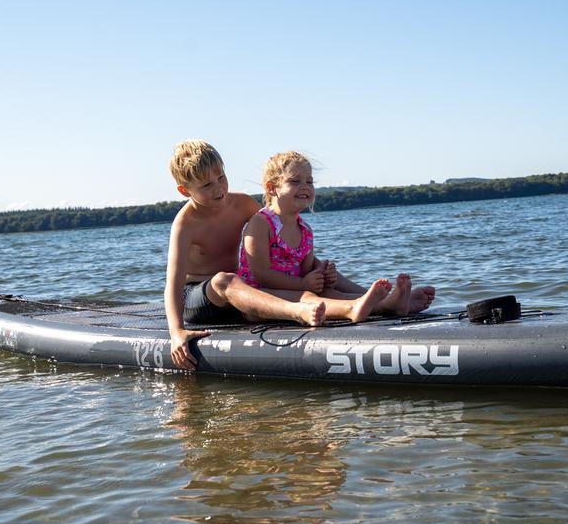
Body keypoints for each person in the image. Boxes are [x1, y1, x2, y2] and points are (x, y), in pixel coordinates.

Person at [164, 140, 395, 372]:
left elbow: (276, 235)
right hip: (201, 298)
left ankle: (375, 301)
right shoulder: (185, 224)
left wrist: (316, 271)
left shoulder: (241, 203)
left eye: (221, 177)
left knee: (307, 288)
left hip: (243, 291)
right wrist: (176, 332)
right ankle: (296, 312)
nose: (219, 188)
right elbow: (173, 284)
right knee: (225, 280)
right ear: (185, 190)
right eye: (206, 185)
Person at [239, 150, 436, 317]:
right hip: (263, 298)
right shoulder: (261, 223)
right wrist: (302, 283)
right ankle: (380, 305)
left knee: (328, 289)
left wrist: (322, 275)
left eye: (309, 181)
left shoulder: (304, 230)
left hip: (295, 289)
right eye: (295, 181)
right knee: (309, 297)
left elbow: (306, 271)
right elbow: (261, 274)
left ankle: (388, 300)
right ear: (272, 188)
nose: (305, 187)